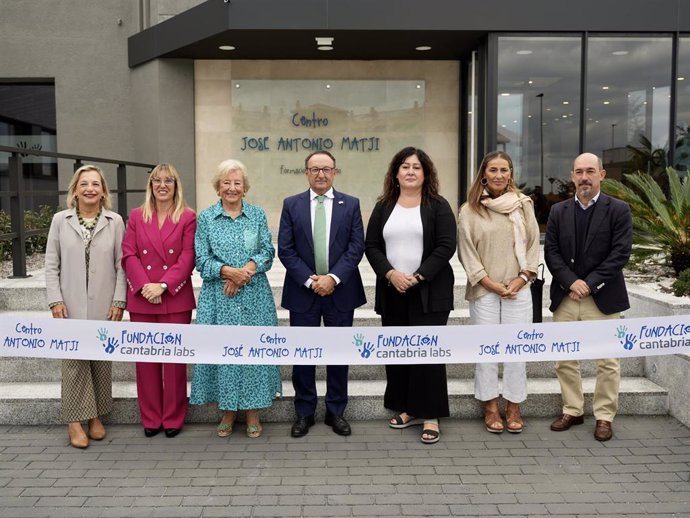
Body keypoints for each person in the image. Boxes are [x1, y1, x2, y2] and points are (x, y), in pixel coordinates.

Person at [365, 147, 456, 444]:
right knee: (399, 352)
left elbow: (446, 246)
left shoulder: (438, 205)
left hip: (428, 292)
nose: (411, 172)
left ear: (426, 173)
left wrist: (417, 276)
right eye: (405, 166)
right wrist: (391, 274)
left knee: (427, 355)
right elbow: (372, 245)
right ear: (396, 173)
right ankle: (407, 409)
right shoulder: (384, 205)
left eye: (417, 167)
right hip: (393, 291)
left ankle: (430, 414)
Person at [545, 152, 632, 442]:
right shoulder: (559, 212)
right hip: (566, 296)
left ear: (602, 175)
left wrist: (589, 284)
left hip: (602, 298)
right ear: (572, 176)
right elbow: (552, 253)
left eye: (590, 171)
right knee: (564, 359)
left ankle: (604, 416)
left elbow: (619, 254)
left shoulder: (618, 209)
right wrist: (572, 283)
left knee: (607, 361)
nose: (584, 177)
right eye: (579, 172)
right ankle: (573, 409)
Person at [278, 150, 366, 438]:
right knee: (303, 355)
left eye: (326, 169)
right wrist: (310, 280)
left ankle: (335, 411)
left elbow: (356, 246)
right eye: (314, 169)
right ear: (306, 173)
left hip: (341, 292)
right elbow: (286, 249)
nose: (320, 174)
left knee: (339, 353)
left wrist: (333, 278)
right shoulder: (291, 204)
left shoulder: (350, 204)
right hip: (304, 292)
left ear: (335, 172)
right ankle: (304, 413)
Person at [190, 159, 280, 439]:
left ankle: (253, 412)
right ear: (218, 187)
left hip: (254, 295)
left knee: (253, 352)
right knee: (224, 352)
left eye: (237, 183)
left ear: (245, 188)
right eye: (226, 183)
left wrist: (246, 272)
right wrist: (228, 273)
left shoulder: (257, 215)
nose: (231, 188)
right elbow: (200, 258)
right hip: (219, 297)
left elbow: (267, 251)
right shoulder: (206, 218)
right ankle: (227, 411)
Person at [457, 151, 540, 434]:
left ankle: (514, 406)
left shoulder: (522, 205)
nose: (499, 175)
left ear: (511, 174)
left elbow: (532, 245)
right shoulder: (469, 210)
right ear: (483, 174)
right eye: (493, 170)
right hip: (485, 290)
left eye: (504, 170)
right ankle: (491, 406)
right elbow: (466, 251)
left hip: (519, 287)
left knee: (517, 349)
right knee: (488, 350)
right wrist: (489, 282)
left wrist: (522, 278)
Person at [45, 165, 126, 449]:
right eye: (84, 184)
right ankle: (74, 422)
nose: (90, 189)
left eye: (96, 184)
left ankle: (95, 416)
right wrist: (55, 299)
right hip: (70, 304)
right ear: (75, 190)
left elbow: (121, 265)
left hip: (104, 303)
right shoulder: (60, 220)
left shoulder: (115, 221)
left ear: (104, 191)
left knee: (100, 362)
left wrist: (119, 299)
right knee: (74, 363)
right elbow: (51, 263)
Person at [122, 163, 197, 438]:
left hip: (174, 297)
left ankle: (174, 418)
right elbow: (129, 254)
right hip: (142, 297)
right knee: (146, 362)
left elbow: (188, 256)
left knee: (174, 363)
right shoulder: (136, 215)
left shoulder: (188, 217)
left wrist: (163, 285)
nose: (162, 185)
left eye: (168, 181)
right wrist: (144, 285)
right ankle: (151, 418)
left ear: (176, 185)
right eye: (157, 180)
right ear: (150, 185)